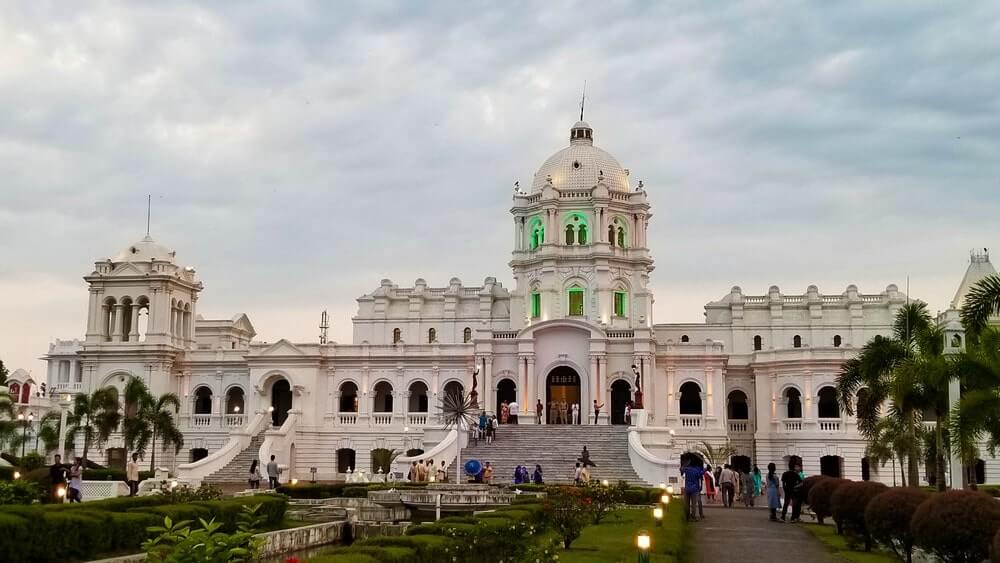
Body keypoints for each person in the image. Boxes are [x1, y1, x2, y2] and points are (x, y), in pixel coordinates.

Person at [680, 454, 705, 522]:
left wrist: (685, 464)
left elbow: (681, 469)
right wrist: (705, 469)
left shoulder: (687, 469)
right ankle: (693, 517)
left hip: (687, 488)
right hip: (694, 489)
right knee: (693, 504)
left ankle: (687, 516)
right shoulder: (696, 471)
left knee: (686, 504)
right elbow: (701, 474)